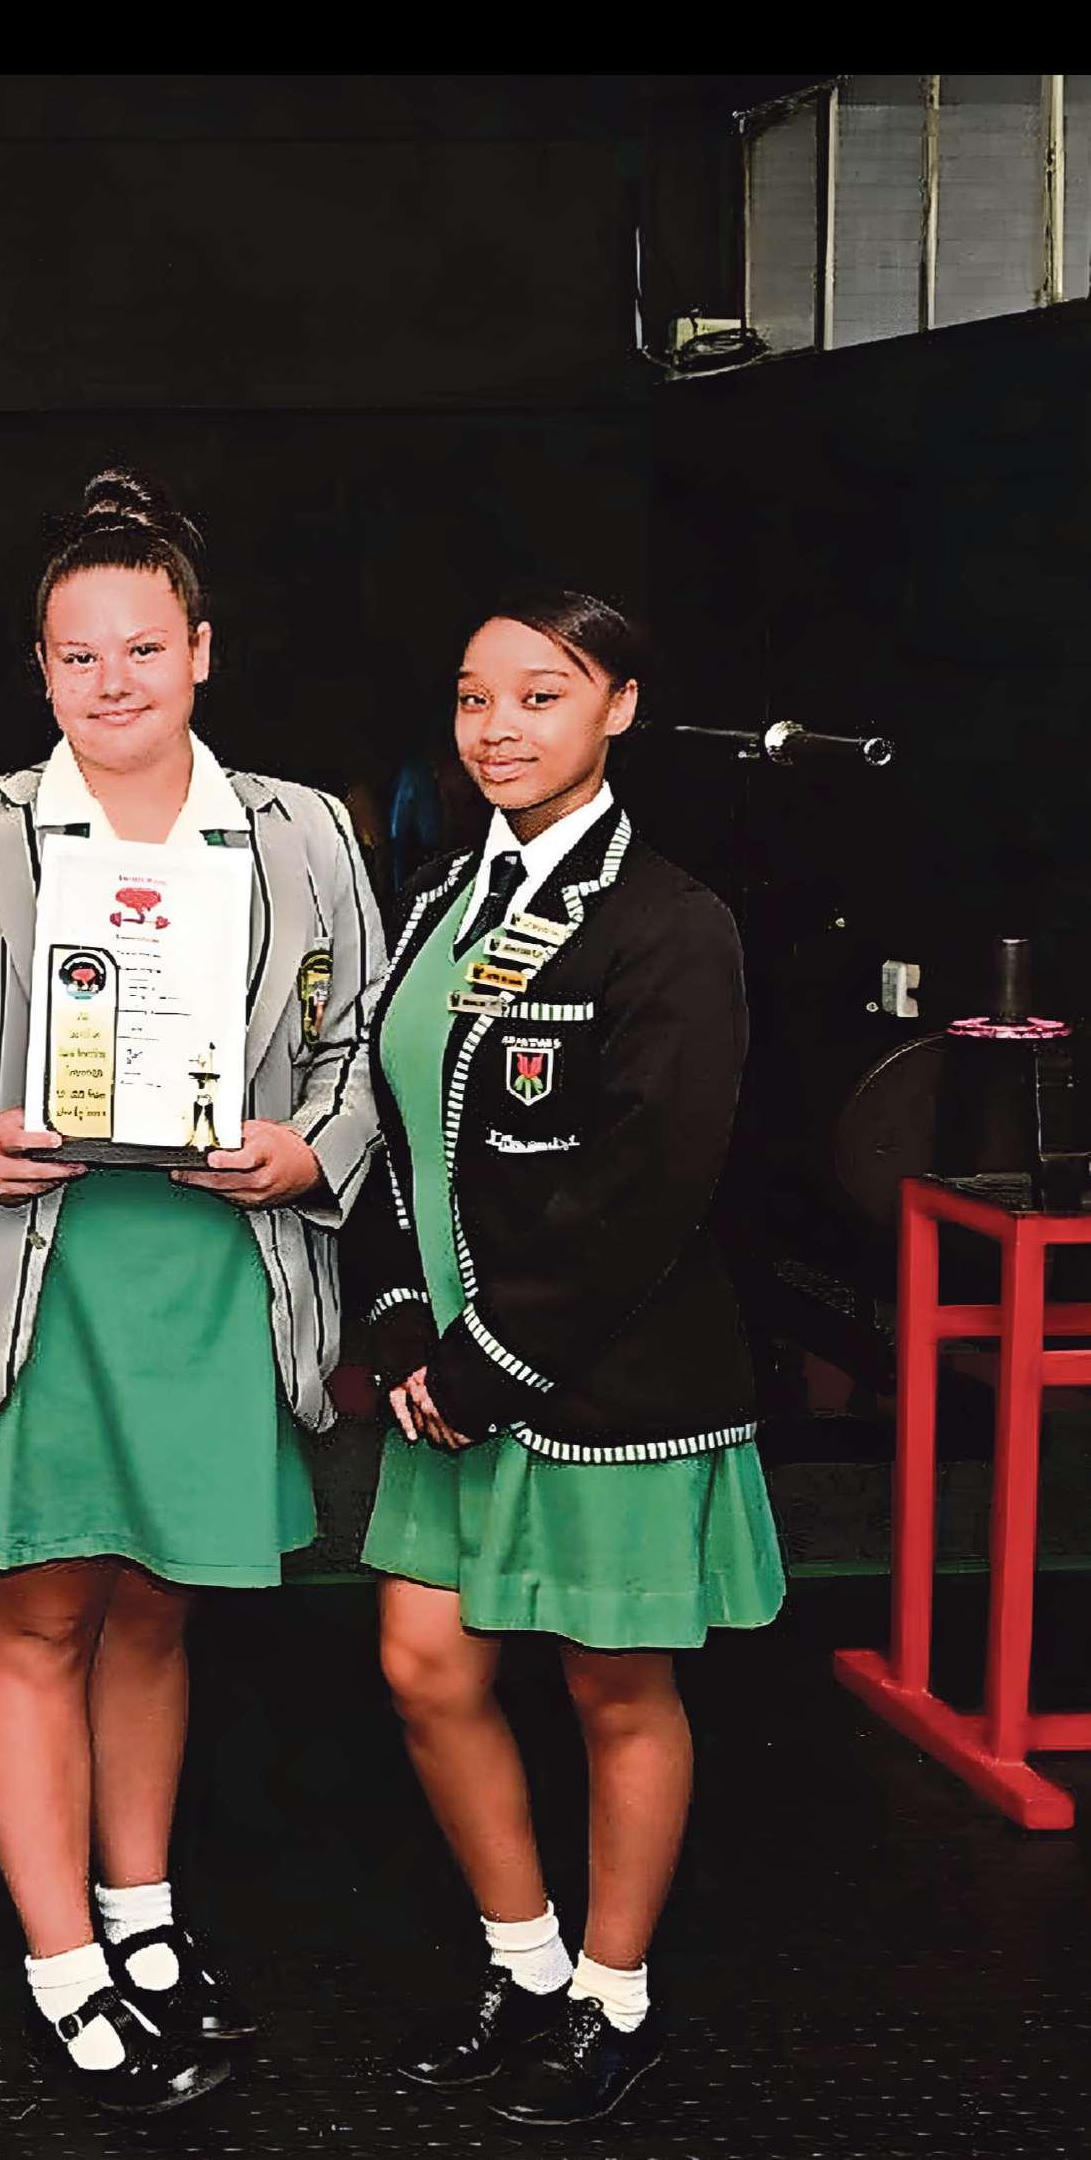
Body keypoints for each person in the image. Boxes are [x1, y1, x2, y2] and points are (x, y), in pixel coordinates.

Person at [0, 467, 386, 2113]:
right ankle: (61, 1967)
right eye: (78, 654)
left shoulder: (302, 830)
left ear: (201, 650)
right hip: (32, 1272)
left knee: (158, 1605)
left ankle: (142, 1918)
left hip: (215, 1271)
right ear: (37, 669)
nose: (113, 682)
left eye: (144, 648)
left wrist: (309, 1151)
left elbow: (358, 1047)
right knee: (34, 1613)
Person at [345, 588, 783, 2129]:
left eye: (541, 694)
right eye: (476, 697)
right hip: (444, 1376)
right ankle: (523, 1964)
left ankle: (614, 1999)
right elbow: (391, 1135)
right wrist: (397, 1320)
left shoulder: (668, 922)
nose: (498, 728)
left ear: (619, 707)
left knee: (612, 1691)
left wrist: (486, 1363)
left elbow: (647, 1183)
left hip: (602, 1383)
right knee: (423, 1667)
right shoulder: (434, 904)